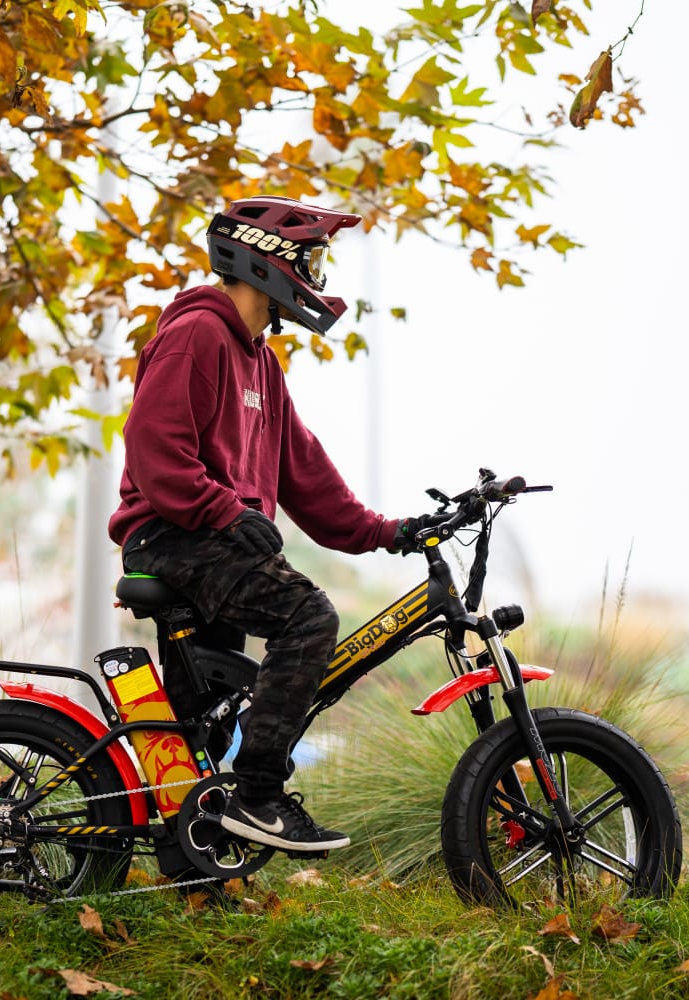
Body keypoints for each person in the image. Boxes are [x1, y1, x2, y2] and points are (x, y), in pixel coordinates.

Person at [108, 195, 423, 852]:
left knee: (203, 729)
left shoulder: (261, 362)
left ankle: (191, 855)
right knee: (307, 617)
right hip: (173, 534)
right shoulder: (198, 334)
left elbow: (305, 475)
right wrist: (223, 510)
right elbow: (154, 449)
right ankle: (260, 796)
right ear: (266, 262)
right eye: (311, 261)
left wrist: (386, 532)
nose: (318, 279)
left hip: (207, 539)